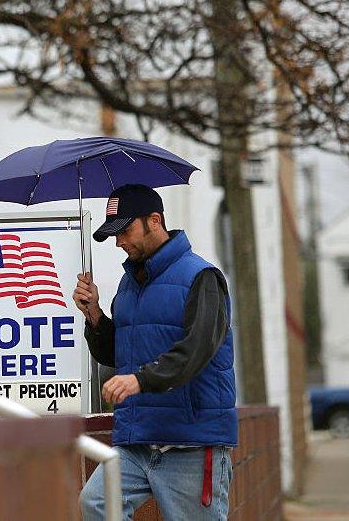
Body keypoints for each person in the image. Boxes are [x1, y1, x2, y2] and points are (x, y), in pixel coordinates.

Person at [74, 184, 237, 521]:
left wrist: (140, 380)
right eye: (113, 236)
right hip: (137, 438)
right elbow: (115, 354)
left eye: (125, 231)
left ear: (154, 220)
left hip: (190, 442)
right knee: (96, 503)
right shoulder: (129, 284)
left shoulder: (201, 277)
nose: (120, 242)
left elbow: (197, 350)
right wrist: (95, 316)